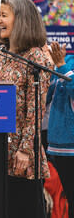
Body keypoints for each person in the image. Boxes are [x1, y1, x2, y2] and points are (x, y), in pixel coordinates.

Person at [0, 0, 52, 218]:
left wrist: (25, 150)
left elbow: (36, 109)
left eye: (4, 15)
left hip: (22, 153)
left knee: (23, 209)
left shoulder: (37, 58)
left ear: (21, 20)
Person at [46, 41, 74, 218]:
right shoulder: (67, 59)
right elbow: (47, 97)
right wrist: (50, 67)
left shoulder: (64, 62)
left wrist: (61, 66)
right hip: (58, 145)